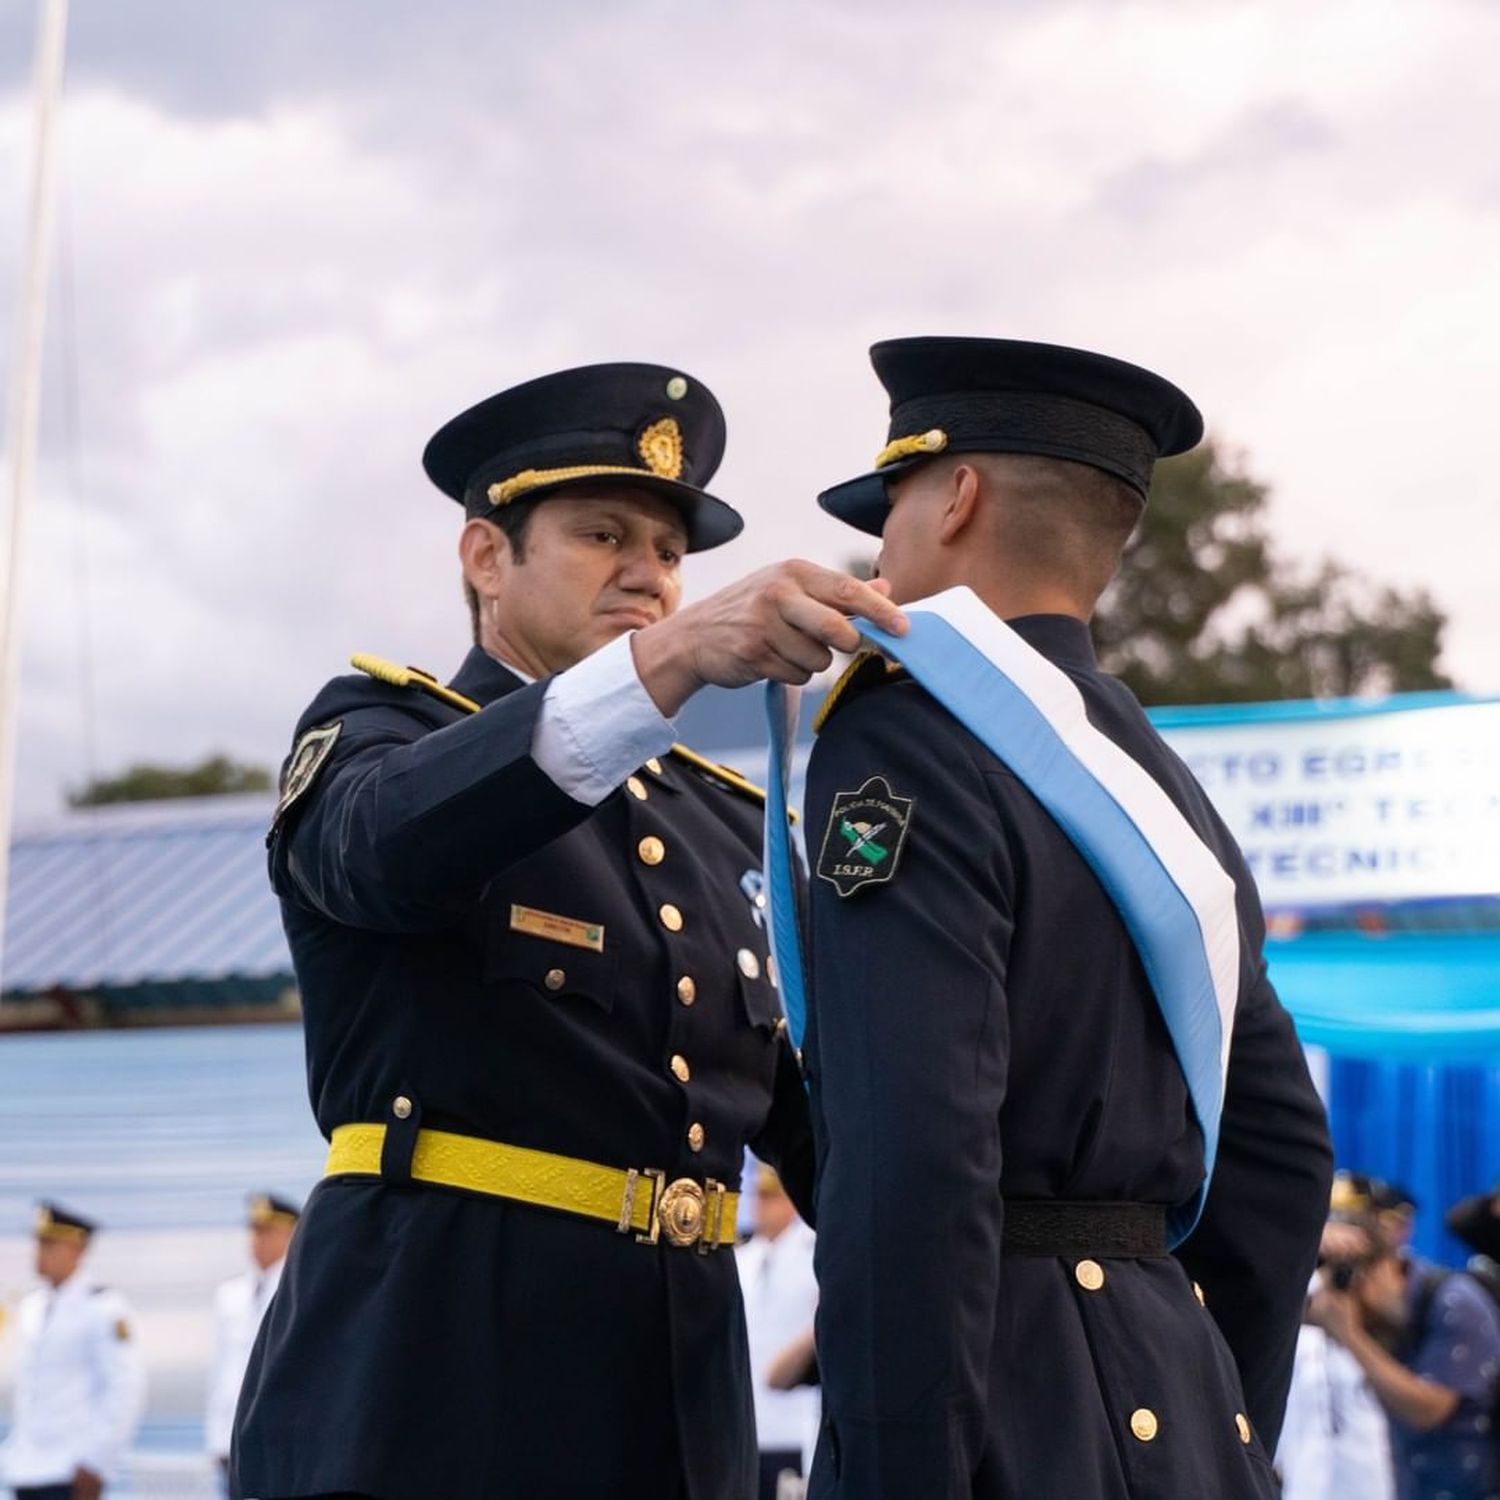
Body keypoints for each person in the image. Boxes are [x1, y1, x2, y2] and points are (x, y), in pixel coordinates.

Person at [231, 362, 906, 1500]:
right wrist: (673, 661)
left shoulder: (726, 821)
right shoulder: (378, 736)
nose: (649, 575)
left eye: (670, 553)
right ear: (485, 557)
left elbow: (830, 1132)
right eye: (604, 534)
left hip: (681, 1404)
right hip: (437, 1386)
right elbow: (381, 859)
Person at [798, 337, 1334, 1497]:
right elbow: (1283, 1156)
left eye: (890, 505)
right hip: (1177, 1406)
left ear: (957, 497)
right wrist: (1211, 1406)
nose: (876, 550)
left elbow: (914, 1158)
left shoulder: (905, 734)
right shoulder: (1155, 781)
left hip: (993, 1418)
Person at [1306, 1228, 1500, 1500]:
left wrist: (1350, 1335)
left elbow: (1428, 1411)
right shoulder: (1387, 1319)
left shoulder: (1455, 1303)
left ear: (1388, 1268)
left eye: (1358, 1283)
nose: (1354, 1304)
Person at [0, 1204, 146, 1500]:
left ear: (77, 1250)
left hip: (72, 1470)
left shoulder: (103, 1308)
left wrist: (97, 1463)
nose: (39, 1252)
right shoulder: (33, 1307)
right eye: (39, 1243)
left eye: (50, 1245)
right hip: (26, 1467)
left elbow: (124, 1390)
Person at [735, 1164, 820, 1499]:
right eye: (758, 1196)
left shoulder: (814, 1256)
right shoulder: (740, 1259)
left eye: (771, 1197)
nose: (760, 1205)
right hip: (748, 1429)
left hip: (794, 1426)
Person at [204, 1194, 299, 1481]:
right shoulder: (230, 1294)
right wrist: (215, 1438)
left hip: (280, 1438)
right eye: (255, 1230)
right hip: (231, 1438)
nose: (258, 1239)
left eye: (268, 1231)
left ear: (292, 1233)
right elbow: (221, 1370)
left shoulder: (299, 1292)